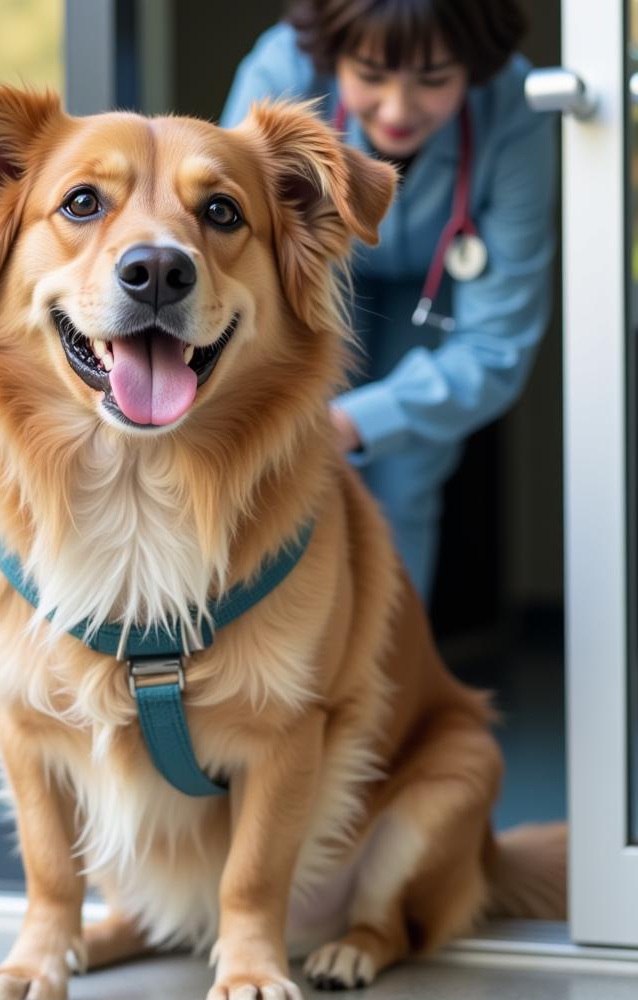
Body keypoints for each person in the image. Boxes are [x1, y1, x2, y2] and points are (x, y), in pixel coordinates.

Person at [221, 0, 555, 603]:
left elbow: (495, 346)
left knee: (403, 480)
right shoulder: (280, 74)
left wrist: (350, 423)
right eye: (371, 76)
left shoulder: (517, 108)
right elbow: (234, 250)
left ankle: (390, 681)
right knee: (277, 468)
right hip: (312, 279)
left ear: (474, 68)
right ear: (331, 55)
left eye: (433, 80)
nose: (399, 109)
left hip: (431, 296)